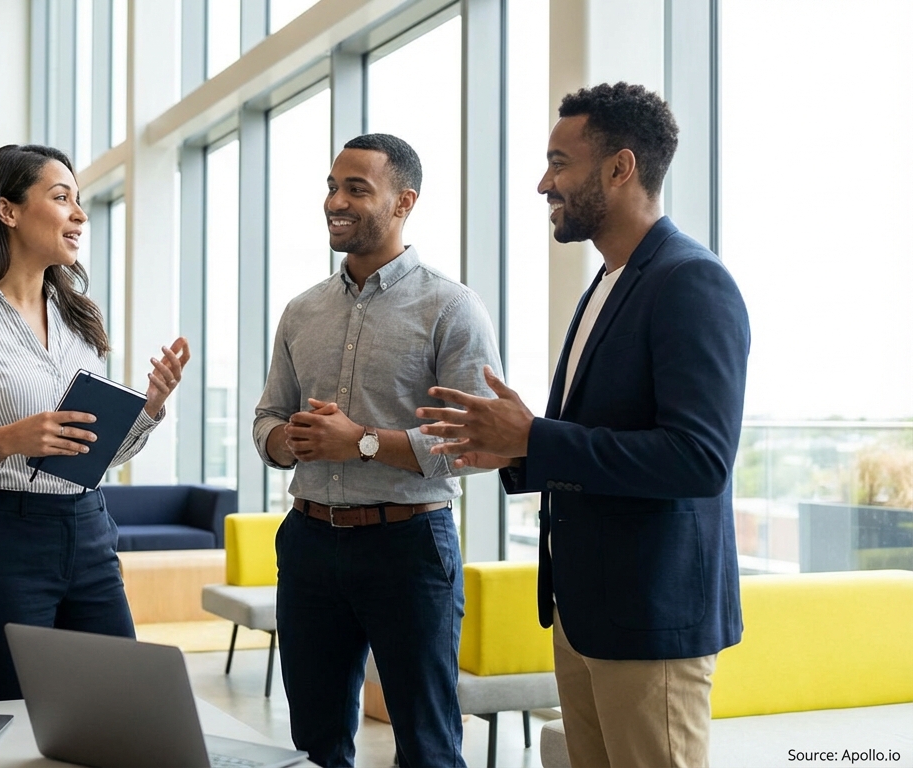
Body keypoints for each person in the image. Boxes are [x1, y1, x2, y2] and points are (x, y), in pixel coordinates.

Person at [417, 83, 749, 767]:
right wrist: (513, 449)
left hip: (650, 622)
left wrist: (535, 438)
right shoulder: (607, 283)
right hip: (584, 614)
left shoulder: (691, 282)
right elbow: (593, 443)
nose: (544, 182)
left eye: (559, 162)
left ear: (620, 168)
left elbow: (698, 459)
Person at [0, 144, 191, 702]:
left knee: (116, 704)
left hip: (92, 530)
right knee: (7, 716)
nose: (79, 214)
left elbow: (89, 454)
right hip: (1, 541)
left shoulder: (79, 320)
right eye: (61, 197)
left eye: (80, 201)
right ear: (8, 211)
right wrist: (6, 441)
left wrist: (146, 410)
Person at [254, 133, 501, 768]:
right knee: (315, 744)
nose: (336, 200)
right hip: (308, 544)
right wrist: (287, 440)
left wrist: (360, 442)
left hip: (409, 549)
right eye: (332, 187)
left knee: (427, 745)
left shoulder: (453, 307)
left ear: (404, 202)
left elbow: (475, 445)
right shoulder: (300, 311)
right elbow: (267, 420)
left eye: (356, 189)